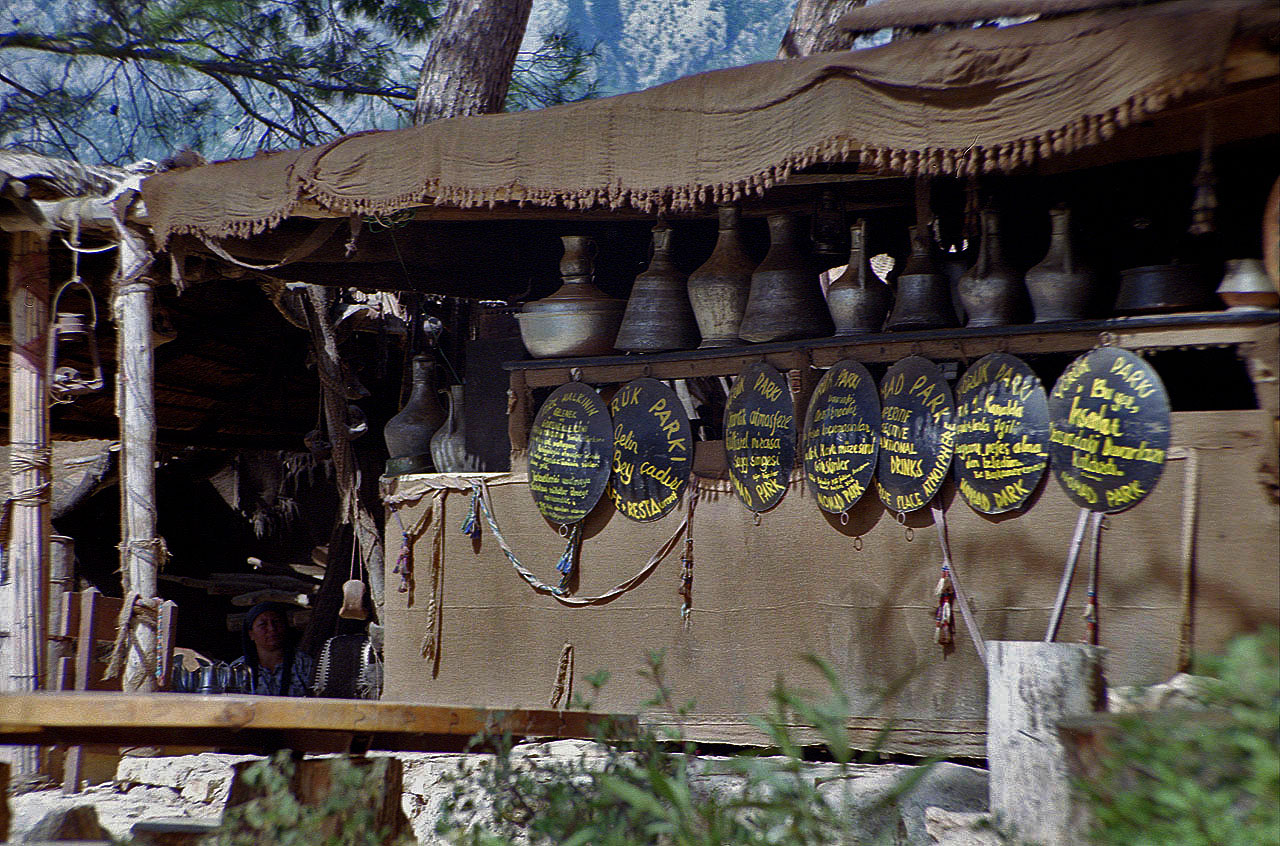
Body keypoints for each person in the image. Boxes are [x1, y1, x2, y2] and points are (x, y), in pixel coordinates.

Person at [230, 602, 314, 696]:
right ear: (251, 634)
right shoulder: (238, 668)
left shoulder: (303, 664)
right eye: (263, 624)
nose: (271, 628)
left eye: (276, 622)